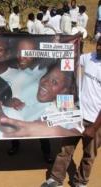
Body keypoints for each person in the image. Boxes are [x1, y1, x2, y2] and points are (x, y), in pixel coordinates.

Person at [41, 37, 101, 187]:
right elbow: (70, 58)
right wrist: (71, 41)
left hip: (96, 121)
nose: (99, 48)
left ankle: (80, 181)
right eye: (99, 44)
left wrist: (94, 127)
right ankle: (55, 179)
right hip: (76, 115)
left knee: (89, 154)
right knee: (65, 150)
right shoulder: (89, 58)